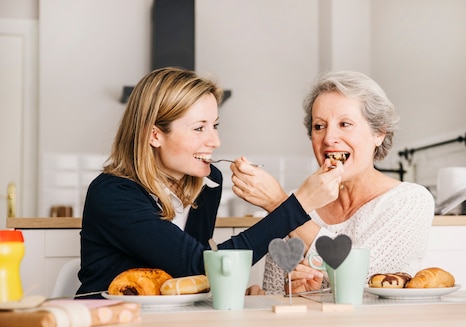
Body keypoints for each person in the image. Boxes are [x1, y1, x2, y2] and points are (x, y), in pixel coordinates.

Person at [77, 67, 343, 298]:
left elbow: (191, 278)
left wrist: (233, 291)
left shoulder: (207, 182)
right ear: (154, 135)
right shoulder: (112, 194)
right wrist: (297, 205)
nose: (215, 141)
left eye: (214, 125)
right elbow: (200, 264)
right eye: (199, 128)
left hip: (174, 325)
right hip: (110, 324)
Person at [230, 71, 435, 294]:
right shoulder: (297, 202)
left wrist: (281, 206)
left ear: (379, 133)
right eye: (319, 126)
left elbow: (362, 280)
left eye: (345, 124)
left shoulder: (409, 201)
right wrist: (293, 294)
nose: (328, 138)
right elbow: (278, 296)